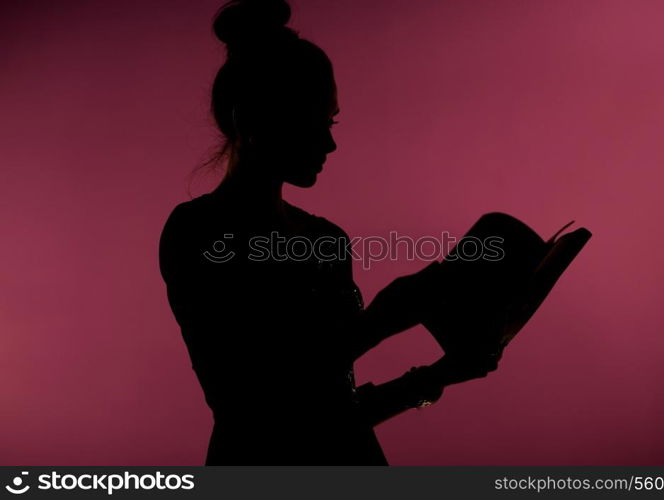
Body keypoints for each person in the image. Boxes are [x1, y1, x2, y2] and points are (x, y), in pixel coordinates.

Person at [158, 0, 499, 465]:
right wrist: (385, 318)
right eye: (313, 123)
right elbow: (257, 408)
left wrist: (437, 375)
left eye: (331, 123)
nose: (330, 142)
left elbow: (332, 412)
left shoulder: (325, 239)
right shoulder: (199, 232)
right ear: (250, 118)